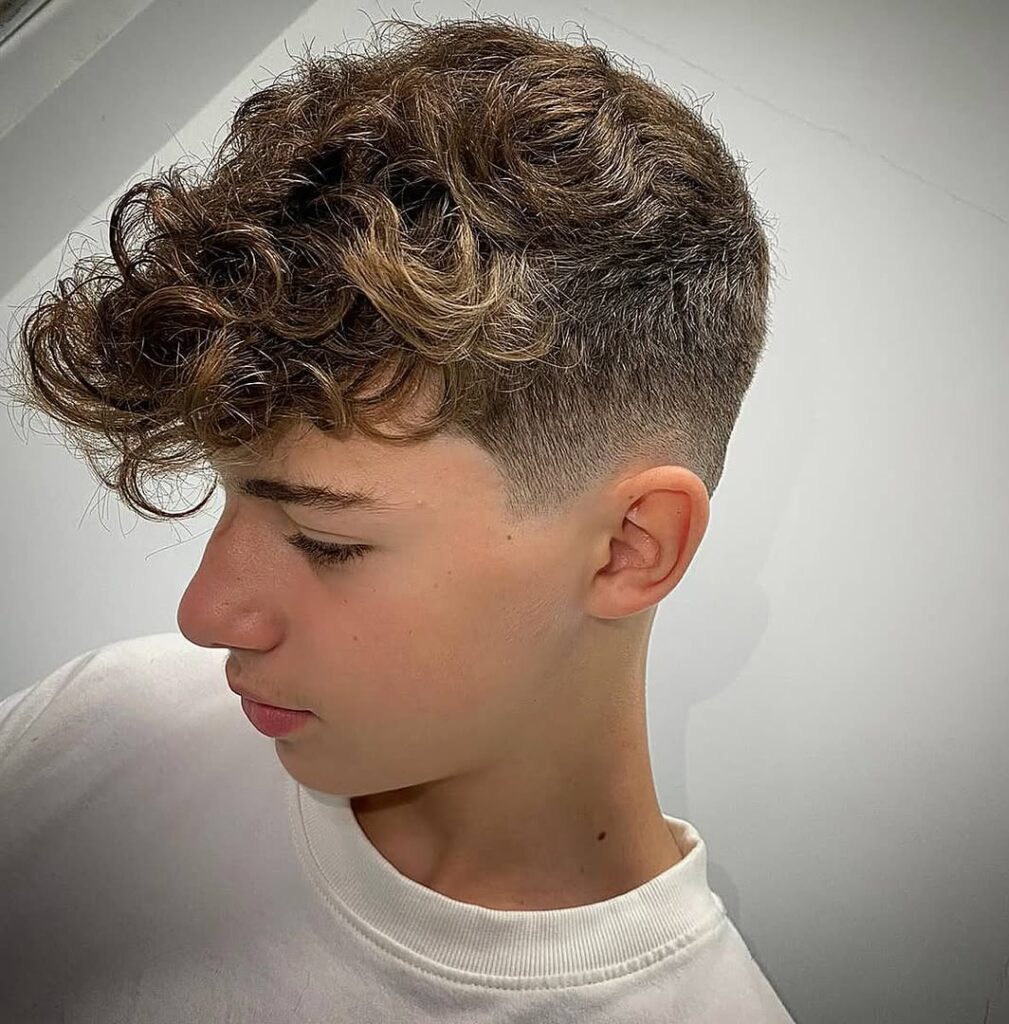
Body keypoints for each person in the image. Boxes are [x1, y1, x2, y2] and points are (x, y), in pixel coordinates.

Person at [0, 14, 792, 1022]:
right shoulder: (99, 729)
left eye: (327, 542)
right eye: (232, 492)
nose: (204, 615)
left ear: (629, 548)